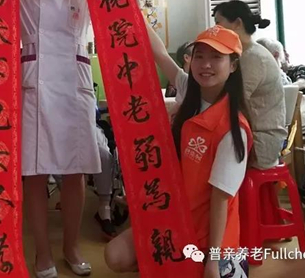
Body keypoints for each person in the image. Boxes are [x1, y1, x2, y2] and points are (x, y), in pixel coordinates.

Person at [0, 0, 141, 277]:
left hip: (75, 89)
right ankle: (43, 252)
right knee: (35, 174)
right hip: (35, 89)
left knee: (75, 171)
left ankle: (71, 247)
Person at [105, 25, 252, 278]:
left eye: (216, 57)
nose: (206, 65)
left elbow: (220, 201)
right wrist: (135, 12)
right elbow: (161, 55)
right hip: (176, 222)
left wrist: (212, 263)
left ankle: (223, 267)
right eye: (199, 56)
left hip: (210, 240)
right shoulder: (189, 92)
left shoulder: (232, 130)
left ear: (233, 65)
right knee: (115, 254)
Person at [213, 0, 286, 170]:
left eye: (218, 23)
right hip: (247, 134)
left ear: (237, 23)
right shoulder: (243, 54)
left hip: (261, 142)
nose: (215, 29)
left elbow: (232, 101)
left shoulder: (253, 57)